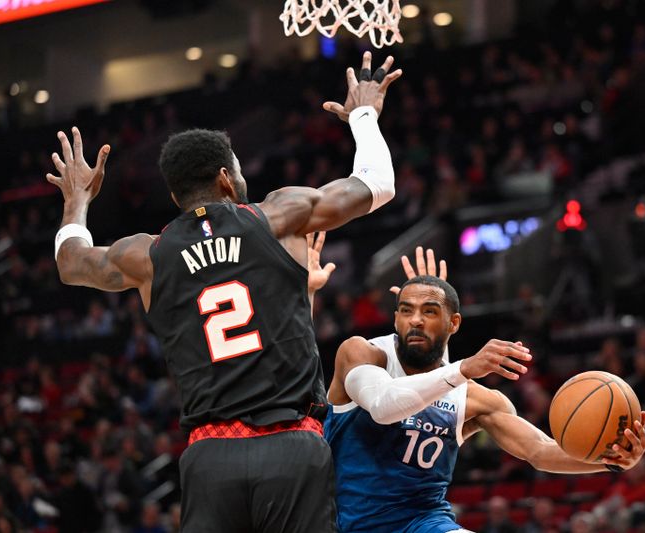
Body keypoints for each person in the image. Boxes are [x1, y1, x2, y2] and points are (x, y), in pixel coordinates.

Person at [46, 52, 403, 532]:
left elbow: (70, 264)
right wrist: (364, 113)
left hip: (209, 457)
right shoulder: (277, 215)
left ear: (176, 196)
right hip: (291, 446)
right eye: (237, 169)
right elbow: (377, 184)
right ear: (224, 178)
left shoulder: (146, 255)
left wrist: (77, 202)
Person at [316, 248, 645, 533]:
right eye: (406, 310)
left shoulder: (475, 399)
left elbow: (540, 451)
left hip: (423, 521)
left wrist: (611, 461)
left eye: (429, 311)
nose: (415, 320)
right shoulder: (362, 353)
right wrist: (462, 368)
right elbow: (382, 406)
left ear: (454, 324)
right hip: (341, 522)